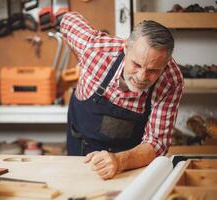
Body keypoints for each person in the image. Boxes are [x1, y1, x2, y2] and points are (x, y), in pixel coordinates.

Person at [60, 12, 184, 180]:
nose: (141, 77)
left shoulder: (170, 81)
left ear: (166, 63)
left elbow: (157, 142)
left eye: (153, 70)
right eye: (136, 64)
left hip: (130, 159)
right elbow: (68, 19)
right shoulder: (95, 50)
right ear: (126, 47)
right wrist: (81, 56)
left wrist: (120, 161)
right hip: (81, 147)